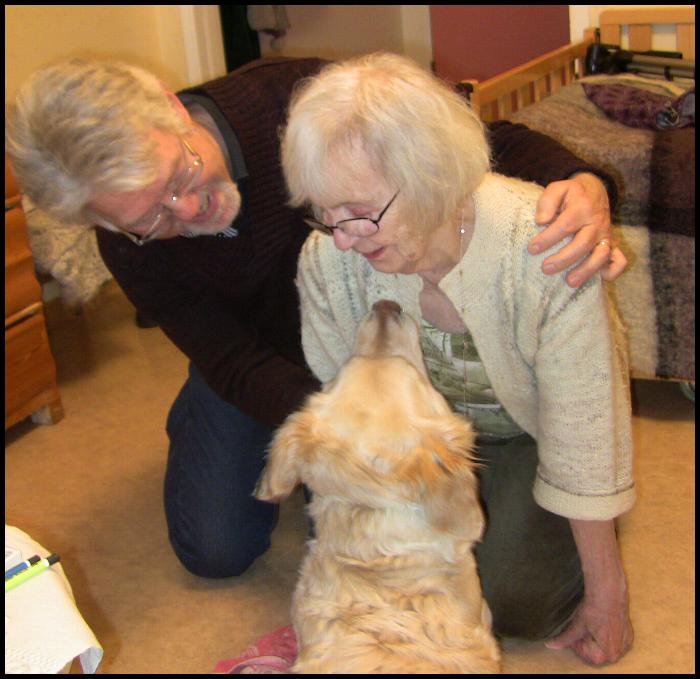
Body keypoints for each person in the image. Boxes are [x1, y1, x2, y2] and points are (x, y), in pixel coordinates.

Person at [6, 57, 626, 591]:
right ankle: (207, 418)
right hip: (259, 363)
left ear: (171, 109)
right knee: (215, 551)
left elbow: (478, 140)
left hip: (367, 342)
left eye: (179, 175)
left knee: (428, 543)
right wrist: (346, 430)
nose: (189, 210)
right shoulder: (128, 248)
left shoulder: (299, 94)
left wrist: (584, 183)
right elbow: (233, 362)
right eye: (150, 217)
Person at [281, 53, 635, 666]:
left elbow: (583, 429)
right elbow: (353, 418)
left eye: (359, 212)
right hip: (418, 450)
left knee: (516, 603)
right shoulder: (328, 259)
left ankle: (574, 532)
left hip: (529, 437)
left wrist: (610, 594)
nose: (341, 238)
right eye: (324, 211)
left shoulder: (543, 250)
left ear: (432, 178)